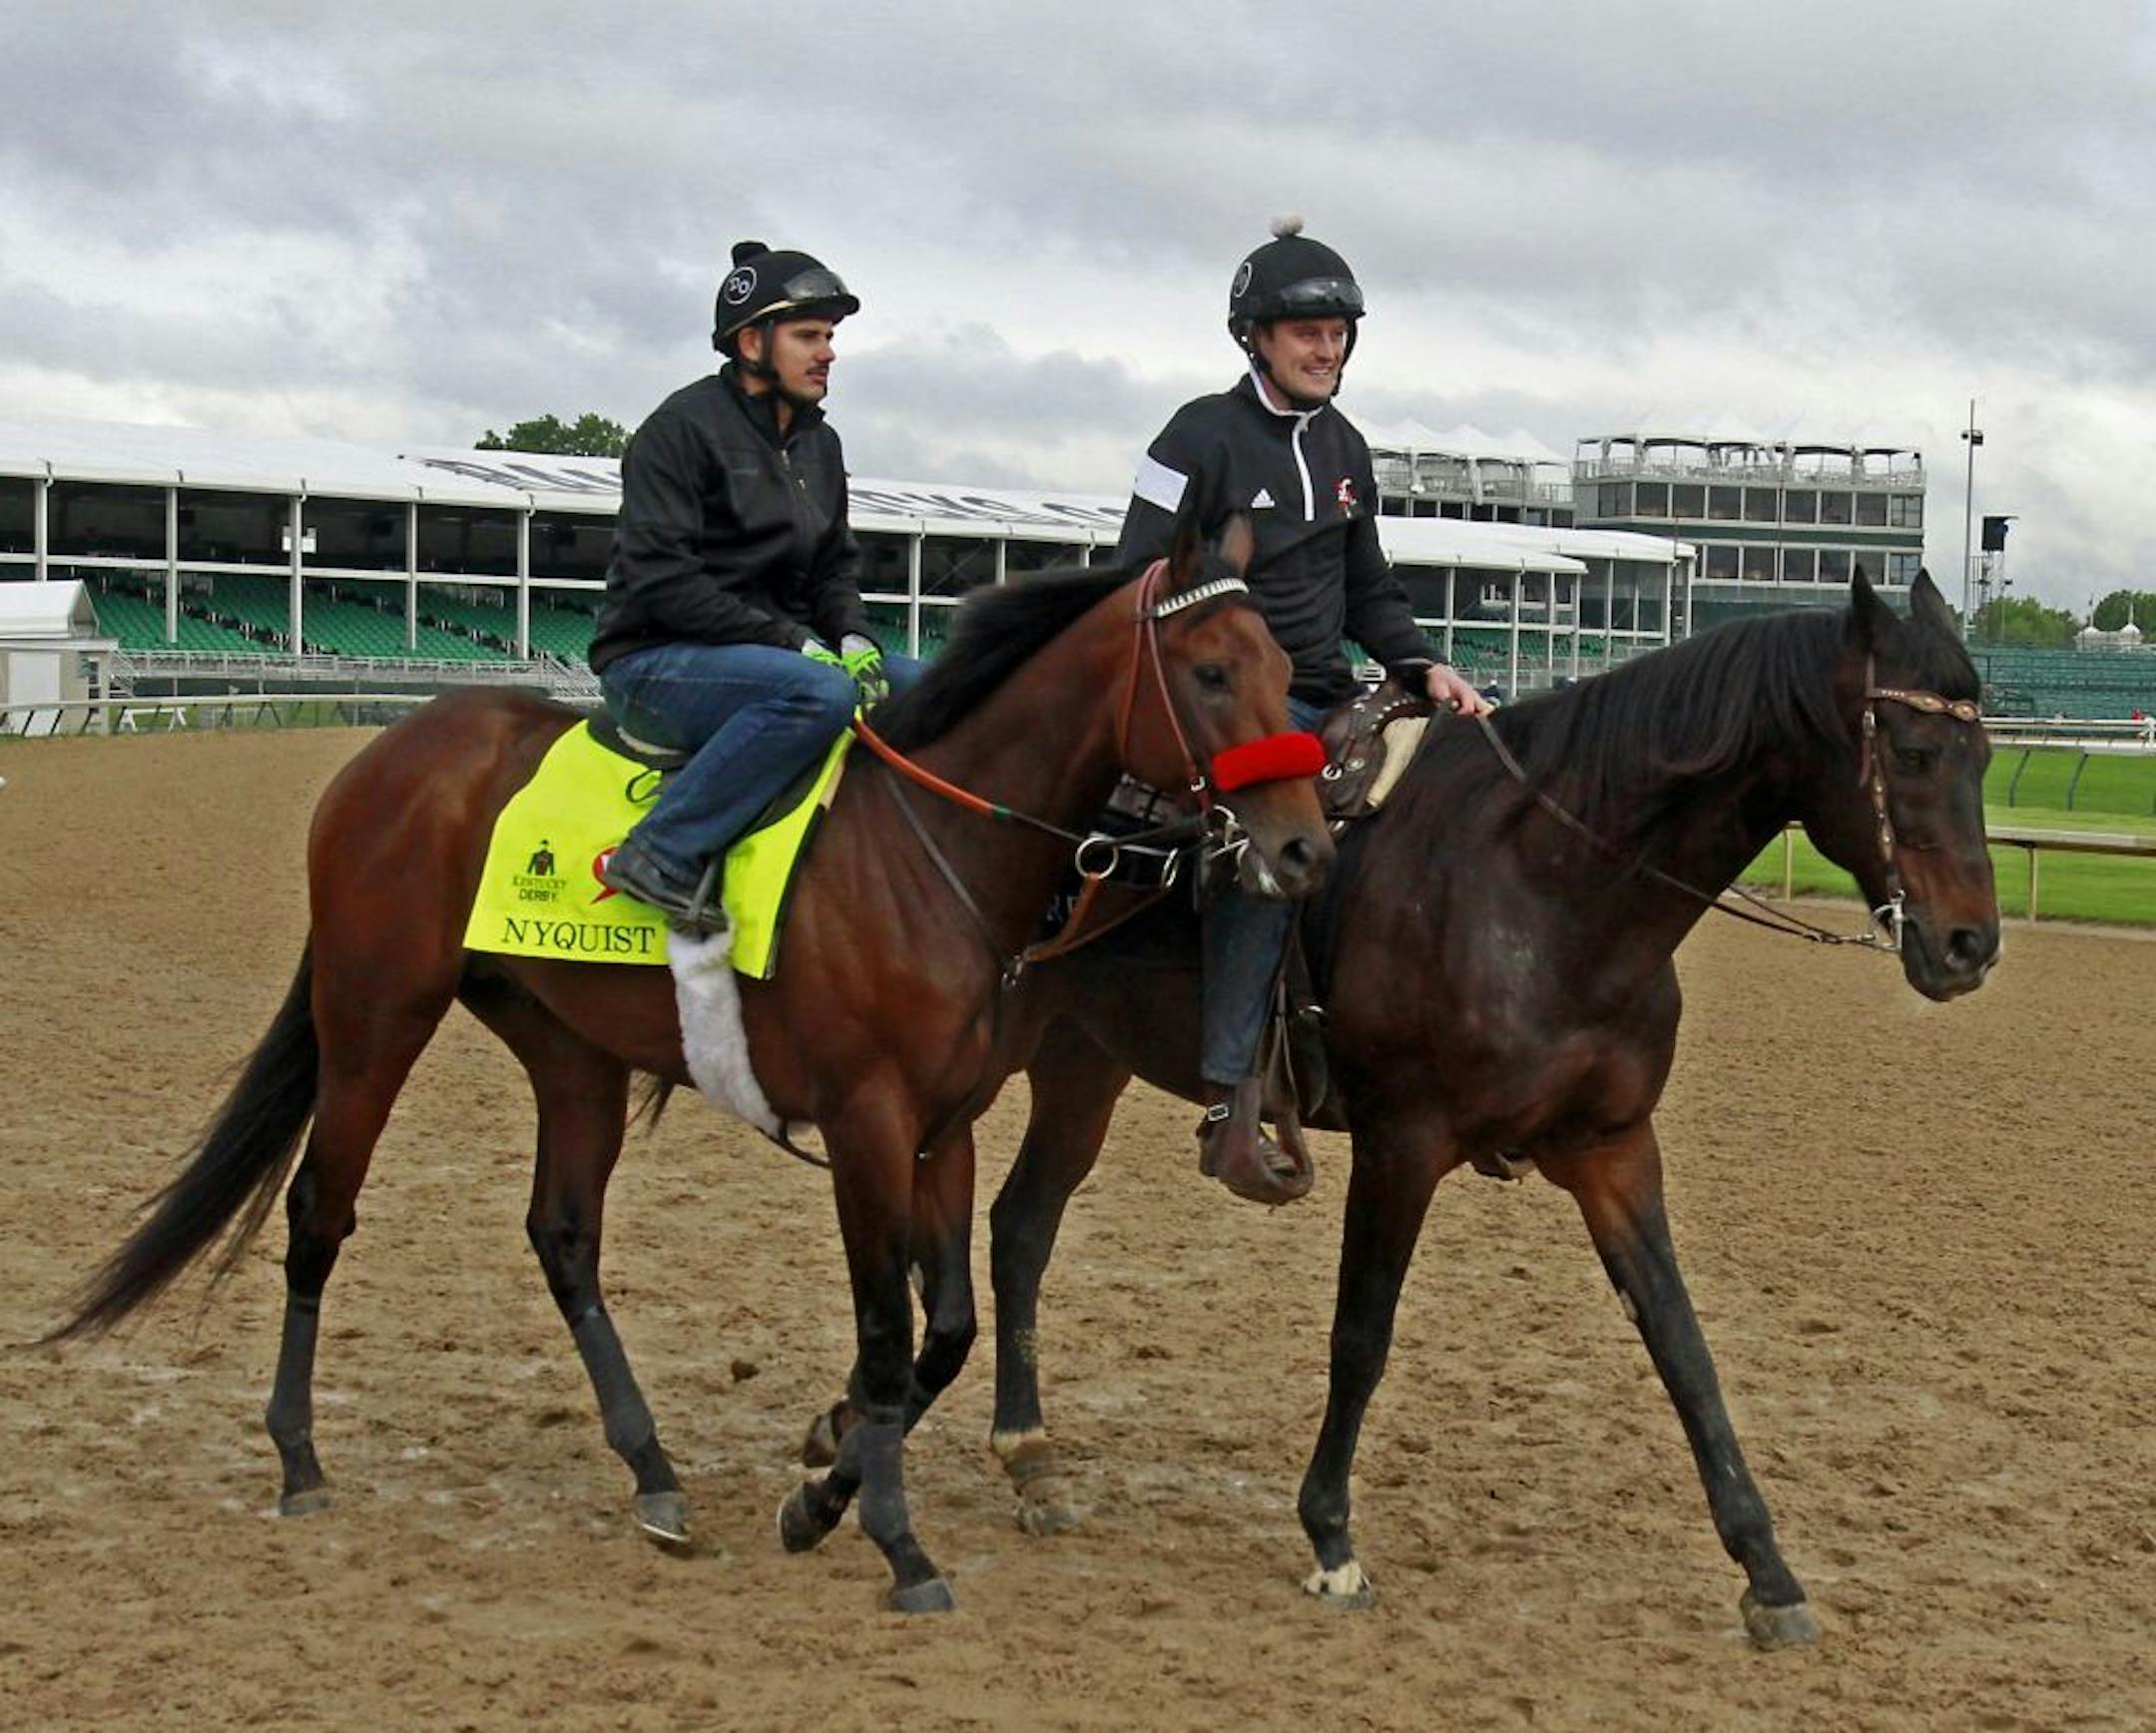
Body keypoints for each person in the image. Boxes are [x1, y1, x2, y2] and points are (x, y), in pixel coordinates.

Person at [1115, 217, 1491, 1205]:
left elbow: (1369, 585)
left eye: (1339, 333)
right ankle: (1231, 1091)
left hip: (1330, 689)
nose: (1327, 349)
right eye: (1304, 332)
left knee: (1467, 785)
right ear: (1255, 338)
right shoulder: (1192, 436)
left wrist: (1423, 664)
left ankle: (1478, 1062)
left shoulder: (1346, 447)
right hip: (1231, 705)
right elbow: (1130, 577)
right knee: (1267, 837)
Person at [589, 240, 917, 933]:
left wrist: (853, 634)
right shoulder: (678, 429)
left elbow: (834, 568)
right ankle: (657, 852)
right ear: (750, 341)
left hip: (781, 655)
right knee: (819, 692)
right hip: (655, 660)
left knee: (940, 684)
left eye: (830, 336)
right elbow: (663, 582)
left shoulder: (820, 445)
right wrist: (796, 643)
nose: (827, 352)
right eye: (808, 335)